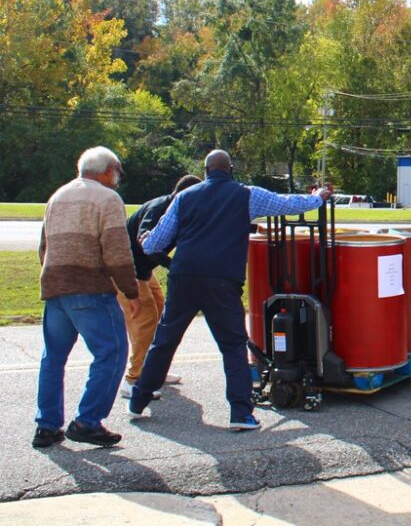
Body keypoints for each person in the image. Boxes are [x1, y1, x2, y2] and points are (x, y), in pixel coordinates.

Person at [130, 150, 331, 431]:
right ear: (231, 169)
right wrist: (317, 197)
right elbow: (286, 204)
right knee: (233, 346)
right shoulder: (246, 195)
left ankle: (138, 400)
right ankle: (240, 413)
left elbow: (154, 245)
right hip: (222, 279)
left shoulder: (184, 197)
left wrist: (145, 238)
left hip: (184, 276)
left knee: (165, 340)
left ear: (204, 170)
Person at [34, 147, 141, 448]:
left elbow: (43, 246)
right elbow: (117, 251)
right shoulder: (108, 199)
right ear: (108, 171)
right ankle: (87, 421)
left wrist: (53, 275)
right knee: (113, 352)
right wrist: (130, 291)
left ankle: (47, 425)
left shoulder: (58, 195)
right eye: (118, 172)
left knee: (53, 358)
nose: (118, 178)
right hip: (90, 287)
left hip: (55, 287)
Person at [117, 173, 202, 399]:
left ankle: (154, 372)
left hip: (144, 269)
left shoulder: (179, 210)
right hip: (128, 269)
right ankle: (133, 380)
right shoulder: (158, 209)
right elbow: (144, 240)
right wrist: (173, 265)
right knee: (144, 321)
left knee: (160, 312)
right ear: (185, 194)